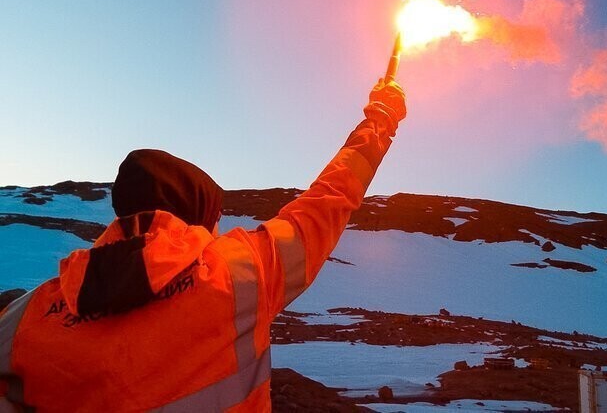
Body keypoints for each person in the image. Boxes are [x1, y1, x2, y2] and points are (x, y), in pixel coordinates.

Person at [0, 78, 406, 411]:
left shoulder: (25, 314)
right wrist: (381, 119)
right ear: (194, 214)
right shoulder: (241, 272)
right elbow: (330, 199)